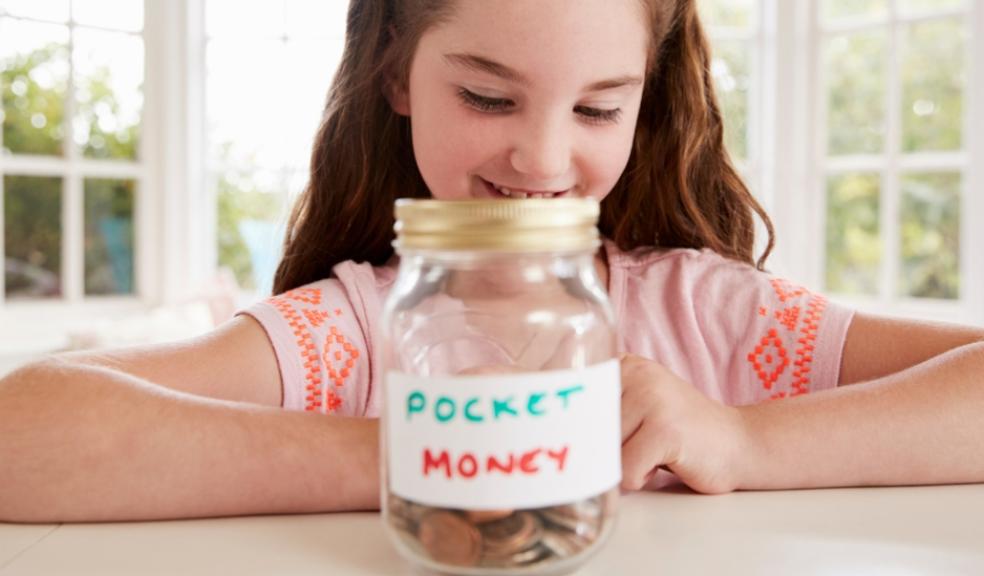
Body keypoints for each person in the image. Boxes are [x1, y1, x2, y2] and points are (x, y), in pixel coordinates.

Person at [2, 0, 983, 524]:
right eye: (487, 96)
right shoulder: (348, 336)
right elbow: (21, 432)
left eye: (598, 108)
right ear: (396, 71)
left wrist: (747, 442)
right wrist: (427, 454)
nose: (545, 160)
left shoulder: (713, 318)